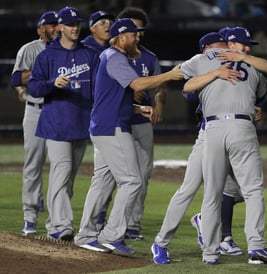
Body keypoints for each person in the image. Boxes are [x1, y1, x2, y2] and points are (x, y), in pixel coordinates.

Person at [151, 30, 267, 264]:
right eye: (216, 46)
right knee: (192, 189)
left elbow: (263, 77)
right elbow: (185, 87)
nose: (219, 50)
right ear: (208, 48)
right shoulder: (202, 63)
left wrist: (250, 107)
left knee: (226, 191)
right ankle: (161, 242)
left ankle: (216, 241)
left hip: (226, 131)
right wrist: (215, 73)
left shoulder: (245, 63)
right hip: (207, 133)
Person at [73, 18, 182, 256]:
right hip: (112, 128)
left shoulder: (111, 57)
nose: (137, 38)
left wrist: (138, 109)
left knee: (101, 182)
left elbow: (110, 96)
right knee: (132, 181)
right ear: (121, 37)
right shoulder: (115, 57)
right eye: (133, 34)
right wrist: (168, 76)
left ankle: (85, 234)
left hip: (104, 125)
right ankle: (111, 235)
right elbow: (138, 84)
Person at [28, 6, 98, 241]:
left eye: (77, 23)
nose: (75, 27)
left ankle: (54, 222)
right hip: (56, 123)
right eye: (70, 24)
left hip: (81, 122)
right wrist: (51, 83)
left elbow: (98, 88)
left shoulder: (89, 54)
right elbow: (34, 88)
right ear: (59, 27)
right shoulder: (47, 55)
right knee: (62, 171)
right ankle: (60, 225)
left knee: (68, 178)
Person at [116, 7, 167, 241]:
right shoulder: (114, 56)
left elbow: (159, 88)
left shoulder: (149, 58)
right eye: (132, 28)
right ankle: (108, 221)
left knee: (143, 174)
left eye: (139, 28)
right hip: (117, 122)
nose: (137, 33)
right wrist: (127, 91)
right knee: (114, 176)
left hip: (142, 121)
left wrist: (159, 103)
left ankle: (133, 224)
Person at [10, 11, 59, 236]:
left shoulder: (68, 51)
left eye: (58, 23)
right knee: (33, 165)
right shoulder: (29, 49)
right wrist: (40, 73)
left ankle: (56, 221)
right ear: (40, 29)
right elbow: (15, 79)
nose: (55, 27)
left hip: (60, 111)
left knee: (61, 167)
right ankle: (30, 217)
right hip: (36, 111)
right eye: (50, 24)